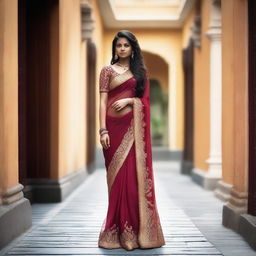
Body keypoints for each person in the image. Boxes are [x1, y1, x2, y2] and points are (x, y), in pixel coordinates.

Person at [98, 30, 165, 251]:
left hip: (133, 133)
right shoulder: (107, 71)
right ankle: (115, 231)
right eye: (119, 45)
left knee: (132, 181)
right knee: (116, 181)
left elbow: (144, 103)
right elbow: (102, 102)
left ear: (132, 48)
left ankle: (132, 233)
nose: (123, 49)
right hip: (113, 133)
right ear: (115, 48)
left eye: (126, 45)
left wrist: (130, 100)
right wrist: (103, 130)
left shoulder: (140, 73)